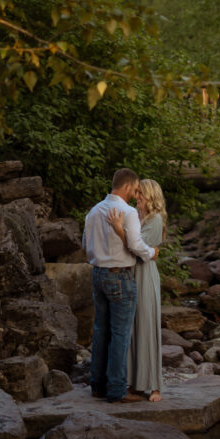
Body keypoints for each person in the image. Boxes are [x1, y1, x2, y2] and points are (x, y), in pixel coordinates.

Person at [82, 168, 157, 403]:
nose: (136, 194)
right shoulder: (128, 212)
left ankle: (97, 385)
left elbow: (85, 244)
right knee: (120, 335)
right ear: (127, 187)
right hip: (120, 276)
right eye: (136, 189)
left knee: (100, 331)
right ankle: (116, 390)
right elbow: (135, 245)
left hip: (97, 274)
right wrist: (151, 253)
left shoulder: (93, 211)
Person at [108, 178, 166, 402]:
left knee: (147, 327)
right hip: (130, 275)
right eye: (136, 192)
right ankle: (134, 383)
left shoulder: (156, 220)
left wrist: (118, 229)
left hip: (145, 276)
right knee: (132, 330)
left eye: (140, 193)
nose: (136, 196)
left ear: (150, 196)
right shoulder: (136, 215)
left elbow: (136, 249)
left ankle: (155, 386)